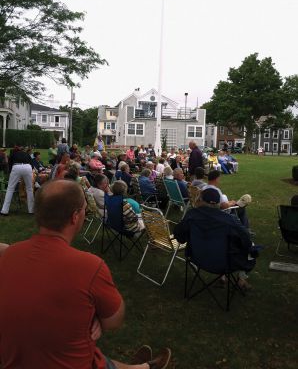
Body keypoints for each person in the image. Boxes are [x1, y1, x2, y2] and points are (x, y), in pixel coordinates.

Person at [0, 180, 171, 369]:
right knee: (89, 357)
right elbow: (114, 320)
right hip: (74, 363)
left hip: (18, 360)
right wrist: (96, 315)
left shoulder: (8, 255)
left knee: (87, 352)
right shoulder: (90, 266)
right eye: (83, 209)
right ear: (75, 217)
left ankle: (143, 367)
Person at [173, 188, 256, 290]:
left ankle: (223, 278)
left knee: (223, 245)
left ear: (201, 200)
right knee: (251, 248)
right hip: (223, 263)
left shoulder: (191, 215)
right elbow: (246, 239)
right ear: (218, 203)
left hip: (197, 258)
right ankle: (241, 279)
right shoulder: (229, 220)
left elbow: (179, 236)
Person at [1, 146, 34, 216]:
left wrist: (11, 173)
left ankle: (4, 210)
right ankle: (31, 210)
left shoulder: (13, 154)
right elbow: (32, 164)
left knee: (10, 188)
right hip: (28, 167)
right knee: (29, 188)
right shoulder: (26, 154)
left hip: (16, 166)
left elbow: (9, 164)